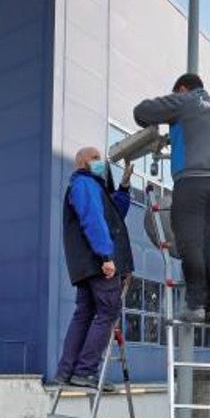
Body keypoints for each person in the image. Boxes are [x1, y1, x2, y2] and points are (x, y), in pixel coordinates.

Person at [134, 72, 210, 324]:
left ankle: (195, 304)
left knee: (190, 241)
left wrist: (164, 115)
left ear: (183, 88)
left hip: (192, 180)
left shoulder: (187, 101)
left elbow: (143, 111)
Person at [54, 146, 133, 389]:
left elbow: (115, 214)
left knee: (85, 314)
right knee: (108, 311)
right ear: (81, 163)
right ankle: (85, 371)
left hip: (87, 265)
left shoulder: (93, 186)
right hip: (99, 263)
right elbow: (94, 221)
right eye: (95, 158)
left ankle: (66, 372)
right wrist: (106, 256)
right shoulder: (84, 184)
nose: (100, 162)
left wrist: (125, 186)